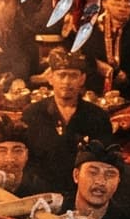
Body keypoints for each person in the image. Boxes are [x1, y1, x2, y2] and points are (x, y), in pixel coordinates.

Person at [18, 52, 112, 199]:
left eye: (73, 76)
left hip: (81, 194)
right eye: (61, 75)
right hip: (38, 194)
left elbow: (104, 163)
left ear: (82, 79)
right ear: (50, 78)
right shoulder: (32, 114)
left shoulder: (97, 116)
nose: (67, 82)